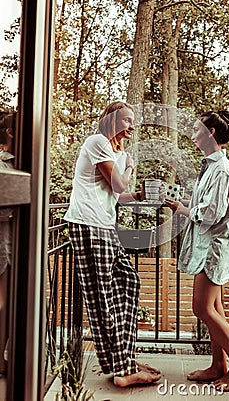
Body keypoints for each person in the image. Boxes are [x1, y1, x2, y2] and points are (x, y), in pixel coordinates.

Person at [64, 101, 161, 387]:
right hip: (88, 223)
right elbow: (119, 185)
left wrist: (141, 196)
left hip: (104, 226)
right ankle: (123, 370)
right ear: (112, 119)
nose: (133, 125)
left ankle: (123, 361)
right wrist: (130, 167)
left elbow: (119, 196)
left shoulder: (114, 151)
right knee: (103, 297)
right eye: (128, 120)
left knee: (128, 283)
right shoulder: (97, 141)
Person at [165, 110, 229, 391]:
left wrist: (181, 208)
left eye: (197, 130)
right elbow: (206, 204)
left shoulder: (223, 170)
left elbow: (212, 213)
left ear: (211, 132)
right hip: (206, 245)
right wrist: (181, 200)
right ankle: (218, 365)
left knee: (201, 307)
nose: (193, 136)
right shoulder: (211, 168)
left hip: (213, 247)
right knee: (215, 307)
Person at [0, 112, 15, 376]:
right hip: (3, 244)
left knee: (11, 305)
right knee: (2, 305)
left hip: (15, 247)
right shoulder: (2, 164)